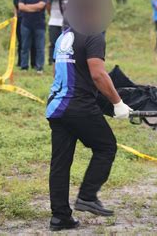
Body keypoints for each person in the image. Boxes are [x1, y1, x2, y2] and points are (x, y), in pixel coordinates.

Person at [46, 27, 132, 231]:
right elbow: (98, 74)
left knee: (60, 163)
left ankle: (60, 217)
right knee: (106, 146)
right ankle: (87, 196)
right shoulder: (93, 35)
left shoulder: (64, 35)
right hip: (79, 106)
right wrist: (117, 103)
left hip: (56, 106)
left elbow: (58, 71)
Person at [18, 0, 48, 73]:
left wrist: (26, 6)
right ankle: (24, 67)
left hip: (39, 25)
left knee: (40, 47)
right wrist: (35, 8)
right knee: (24, 47)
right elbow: (20, 7)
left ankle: (39, 67)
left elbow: (41, 6)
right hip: (26, 24)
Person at [13, 0, 36, 68]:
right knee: (21, 42)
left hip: (29, 19)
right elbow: (15, 5)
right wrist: (15, 15)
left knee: (33, 42)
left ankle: (34, 63)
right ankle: (21, 62)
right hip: (19, 19)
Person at [46, 0, 64, 65]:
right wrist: (52, 15)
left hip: (65, 23)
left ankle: (62, 59)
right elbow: (48, 5)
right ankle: (51, 60)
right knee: (53, 43)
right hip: (54, 22)